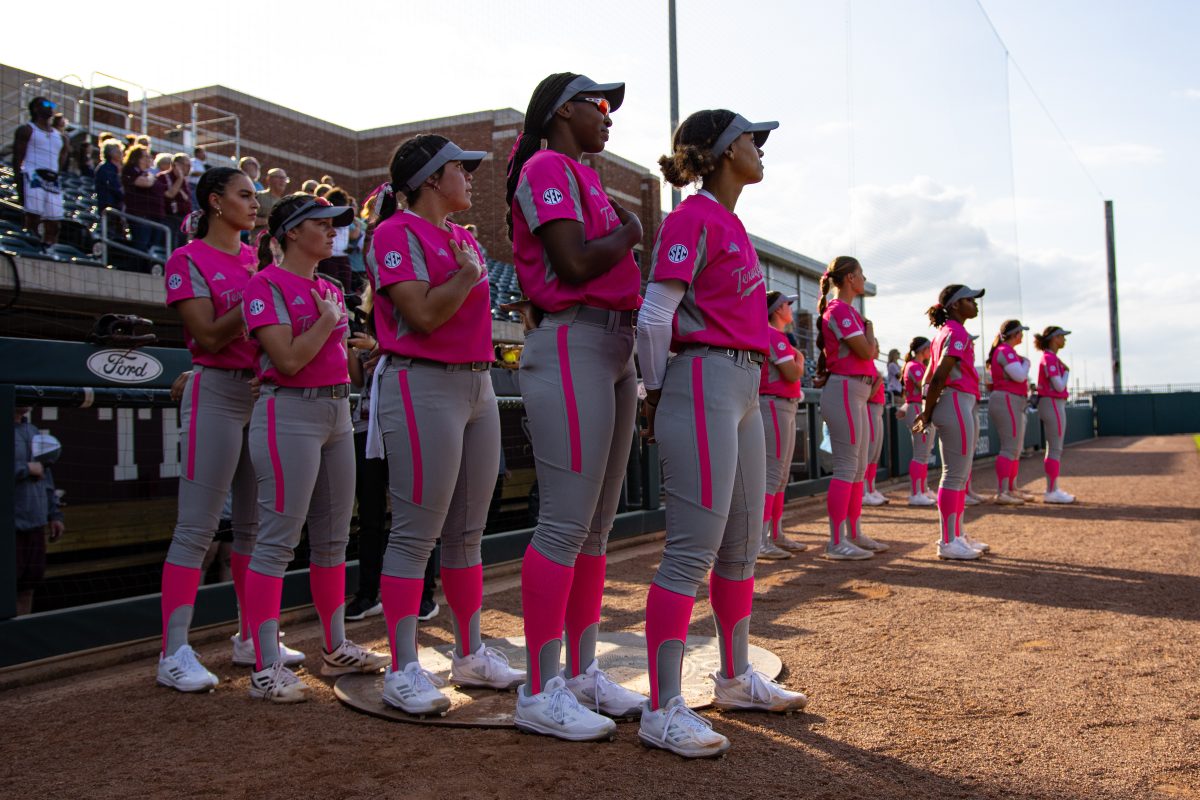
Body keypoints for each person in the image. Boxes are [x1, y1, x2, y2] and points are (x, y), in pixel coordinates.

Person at [637, 109, 808, 758]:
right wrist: (655, 393)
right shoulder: (691, 217)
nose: (758, 147)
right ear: (716, 149)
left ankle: (735, 678)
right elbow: (655, 317)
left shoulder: (731, 222)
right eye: (748, 138)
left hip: (742, 386)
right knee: (690, 552)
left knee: (741, 548)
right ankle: (662, 708)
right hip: (702, 380)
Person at [505, 72, 647, 740]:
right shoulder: (545, 165)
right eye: (599, 104)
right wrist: (634, 230)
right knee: (564, 524)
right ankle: (538, 689)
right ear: (565, 110)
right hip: (572, 340)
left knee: (595, 529)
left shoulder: (582, 173)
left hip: (612, 345)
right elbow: (575, 264)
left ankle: (583, 671)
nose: (609, 117)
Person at [361, 134, 524, 716]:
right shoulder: (393, 232)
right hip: (421, 379)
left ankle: (470, 652)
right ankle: (401, 668)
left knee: (467, 533)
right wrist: (463, 276)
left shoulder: (459, 237)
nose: (470, 177)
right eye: (460, 168)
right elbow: (424, 314)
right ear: (431, 178)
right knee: (414, 533)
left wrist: (467, 268)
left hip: (476, 383)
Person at [156, 166, 305, 692]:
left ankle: (248, 637)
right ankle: (173, 651)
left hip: (261, 393)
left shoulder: (253, 257)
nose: (255, 202)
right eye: (244, 195)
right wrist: (259, 294)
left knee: (252, 528)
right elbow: (208, 337)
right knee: (196, 528)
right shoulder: (187, 257)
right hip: (217, 391)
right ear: (216, 202)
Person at [239, 194, 388, 702]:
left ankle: (335, 645)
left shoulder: (327, 284)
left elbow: (339, 365)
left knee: (331, 541)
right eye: (320, 225)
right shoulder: (265, 283)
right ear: (291, 233)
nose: (331, 231)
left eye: (333, 225)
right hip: (289, 411)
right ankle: (264, 664)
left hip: (335, 412)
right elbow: (286, 361)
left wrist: (348, 340)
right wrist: (327, 322)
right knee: (278, 540)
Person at [815, 256, 886, 559]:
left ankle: (853, 533)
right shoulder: (838, 309)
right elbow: (867, 350)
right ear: (848, 279)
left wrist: (867, 331)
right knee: (847, 467)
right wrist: (869, 327)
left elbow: (869, 351)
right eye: (860, 274)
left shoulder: (849, 312)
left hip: (856, 390)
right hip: (844, 388)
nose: (863, 278)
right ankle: (835, 541)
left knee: (857, 468)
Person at [914, 285, 988, 560]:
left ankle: (956, 534)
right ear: (956, 305)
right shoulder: (955, 331)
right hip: (955, 400)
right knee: (955, 475)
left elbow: (929, 376)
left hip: (957, 401)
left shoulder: (947, 332)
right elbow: (938, 375)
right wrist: (926, 410)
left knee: (958, 474)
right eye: (969, 300)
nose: (975, 304)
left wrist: (927, 408)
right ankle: (947, 540)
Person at [757, 291, 807, 559]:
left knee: (781, 476)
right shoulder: (773, 335)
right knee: (772, 475)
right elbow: (791, 372)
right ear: (777, 310)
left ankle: (775, 533)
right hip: (772, 404)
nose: (790, 308)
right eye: (787, 304)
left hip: (782, 405)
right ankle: (760, 540)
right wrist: (798, 360)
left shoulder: (779, 336)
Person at [13, 407, 65, 616]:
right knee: (7, 588)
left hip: (35, 525)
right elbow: (32, 468)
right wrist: (25, 468)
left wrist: (54, 514)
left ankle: (21, 640)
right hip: (10, 528)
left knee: (28, 587)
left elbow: (47, 476)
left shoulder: (33, 430)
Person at [12, 97, 69, 246]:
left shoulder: (61, 137)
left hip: (52, 179)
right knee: (33, 218)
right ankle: (31, 246)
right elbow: (18, 159)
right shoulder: (27, 130)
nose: (50, 107)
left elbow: (61, 162)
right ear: (36, 108)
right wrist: (19, 185)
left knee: (55, 222)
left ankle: (49, 249)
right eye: (45, 104)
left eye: (52, 104)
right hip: (33, 176)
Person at [987, 320, 1032, 504]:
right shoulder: (1005, 351)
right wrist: (1027, 363)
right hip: (1006, 399)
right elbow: (1019, 375)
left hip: (1013, 400)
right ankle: (1002, 491)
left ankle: (1011, 489)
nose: (1022, 336)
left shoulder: (1008, 351)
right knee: (1009, 447)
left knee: (1015, 449)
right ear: (1014, 334)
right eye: (1020, 332)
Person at [1035, 326, 1076, 504]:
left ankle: (1053, 488)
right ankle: (1052, 490)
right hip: (1052, 402)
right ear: (1054, 338)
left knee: (1054, 448)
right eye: (1061, 337)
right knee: (1055, 448)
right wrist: (1067, 372)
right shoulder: (1050, 358)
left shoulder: (1050, 357)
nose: (1064, 340)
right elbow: (1059, 386)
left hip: (1051, 402)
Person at [899, 337, 937, 506]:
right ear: (923, 349)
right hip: (916, 408)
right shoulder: (913, 366)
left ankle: (922, 488)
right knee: (920, 453)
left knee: (925, 453)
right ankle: (916, 493)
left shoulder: (920, 365)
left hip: (920, 408)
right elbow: (924, 387)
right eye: (929, 348)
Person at [121, 145, 167, 252]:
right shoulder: (130, 170)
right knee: (141, 247)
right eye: (146, 156)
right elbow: (145, 183)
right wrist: (151, 177)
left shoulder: (146, 173)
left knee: (154, 248)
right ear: (138, 159)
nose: (149, 158)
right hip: (141, 216)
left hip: (154, 215)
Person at [862, 341, 890, 507]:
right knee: (869, 452)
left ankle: (871, 489)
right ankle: (864, 491)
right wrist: (879, 381)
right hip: (869, 408)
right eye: (876, 347)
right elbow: (867, 394)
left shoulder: (871, 365)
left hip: (877, 409)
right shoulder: (866, 365)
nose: (877, 350)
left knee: (874, 454)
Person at [317, 188, 354, 290]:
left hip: (343, 257)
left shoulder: (346, 215)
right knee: (330, 289)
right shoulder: (326, 215)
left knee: (345, 291)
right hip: (329, 257)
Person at [161, 154, 192, 248]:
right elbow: (170, 195)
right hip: (169, 218)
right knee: (172, 247)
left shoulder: (185, 181)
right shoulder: (163, 177)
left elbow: (187, 199)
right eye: (187, 165)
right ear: (176, 165)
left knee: (182, 247)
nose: (189, 168)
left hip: (183, 220)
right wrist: (180, 178)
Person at [94, 140, 125, 218]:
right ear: (110, 153)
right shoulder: (105, 168)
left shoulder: (118, 168)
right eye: (118, 151)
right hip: (109, 206)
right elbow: (113, 186)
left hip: (118, 206)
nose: (121, 153)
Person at [255, 168, 290, 236]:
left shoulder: (284, 203)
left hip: (275, 244)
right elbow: (244, 218)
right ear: (269, 179)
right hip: (257, 242)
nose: (283, 181)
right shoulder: (259, 197)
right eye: (279, 177)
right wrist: (268, 221)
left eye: (285, 178)